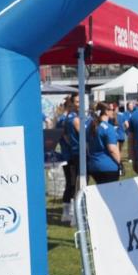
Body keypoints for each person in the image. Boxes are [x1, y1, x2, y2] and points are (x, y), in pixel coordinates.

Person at [58, 93, 82, 224]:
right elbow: (63, 135)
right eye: (77, 102)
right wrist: (72, 145)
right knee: (74, 184)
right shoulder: (68, 118)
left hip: (68, 153)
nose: (80, 104)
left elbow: (63, 135)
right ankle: (72, 215)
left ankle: (67, 214)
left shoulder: (64, 118)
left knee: (71, 184)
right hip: (72, 154)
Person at [86, 103, 122, 184]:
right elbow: (112, 149)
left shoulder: (90, 127)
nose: (113, 112)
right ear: (106, 111)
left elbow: (87, 146)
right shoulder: (108, 128)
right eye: (112, 110)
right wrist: (119, 163)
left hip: (94, 166)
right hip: (108, 167)